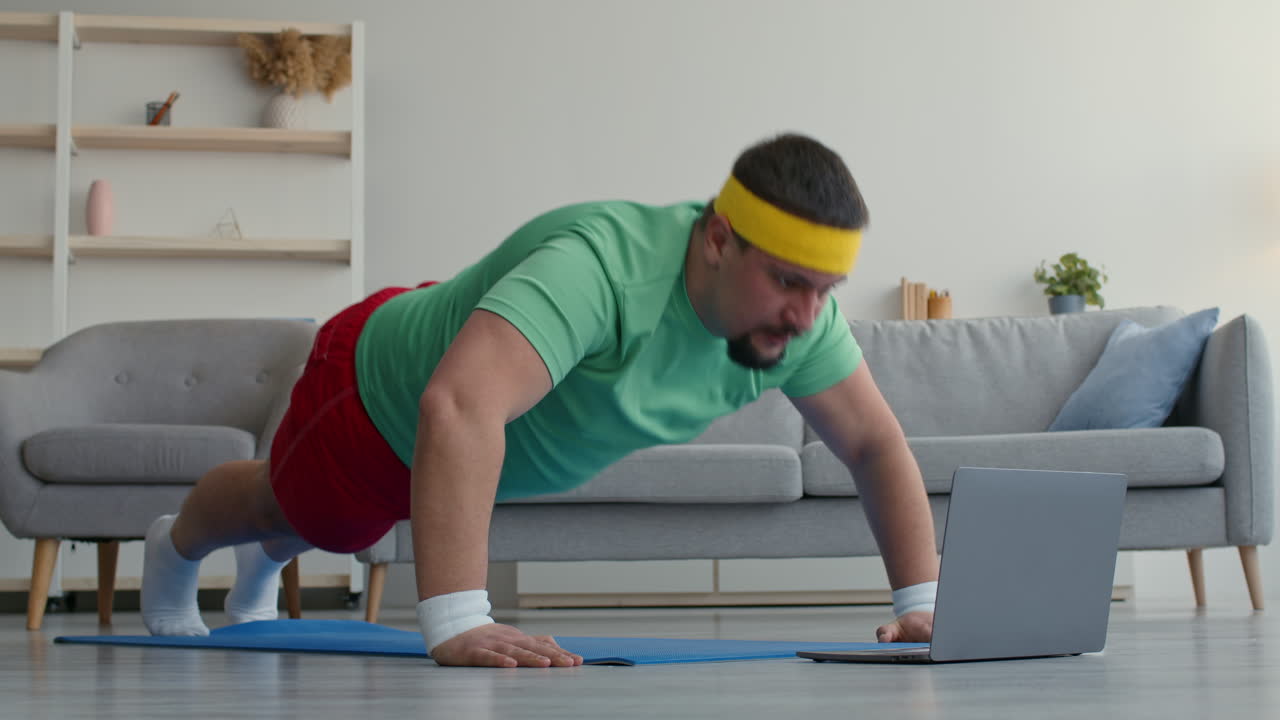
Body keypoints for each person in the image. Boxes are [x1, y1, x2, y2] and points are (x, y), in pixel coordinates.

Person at [141, 132, 940, 668]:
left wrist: (923, 605)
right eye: (788, 283)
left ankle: (257, 577)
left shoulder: (803, 324)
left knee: (326, 523)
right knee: (291, 508)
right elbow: (457, 408)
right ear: (720, 239)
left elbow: (874, 446)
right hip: (378, 394)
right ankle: (174, 549)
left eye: (824, 291)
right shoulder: (600, 269)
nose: (806, 316)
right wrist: (457, 621)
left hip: (463, 386)